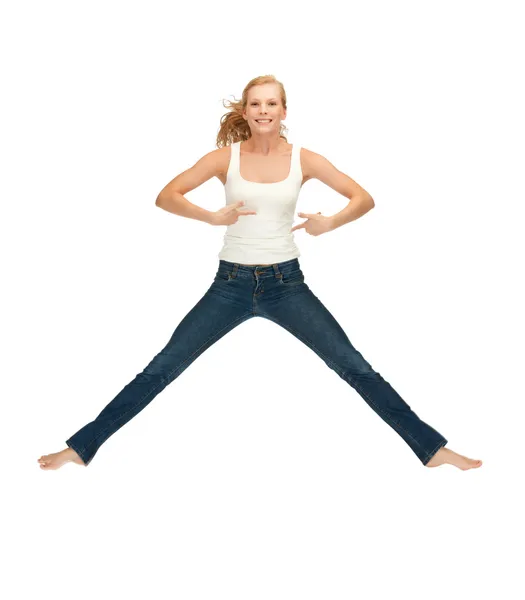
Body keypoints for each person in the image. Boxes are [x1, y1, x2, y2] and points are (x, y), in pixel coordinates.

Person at [38, 75, 482, 471]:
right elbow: (166, 195)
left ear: (284, 111)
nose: (264, 110)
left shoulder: (304, 159)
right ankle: (81, 448)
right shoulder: (222, 158)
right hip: (229, 286)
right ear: (246, 112)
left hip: (286, 285)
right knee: (161, 369)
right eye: (255, 104)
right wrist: (211, 217)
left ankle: (431, 449)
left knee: (354, 367)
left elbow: (363, 198)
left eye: (272, 103)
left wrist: (331, 223)